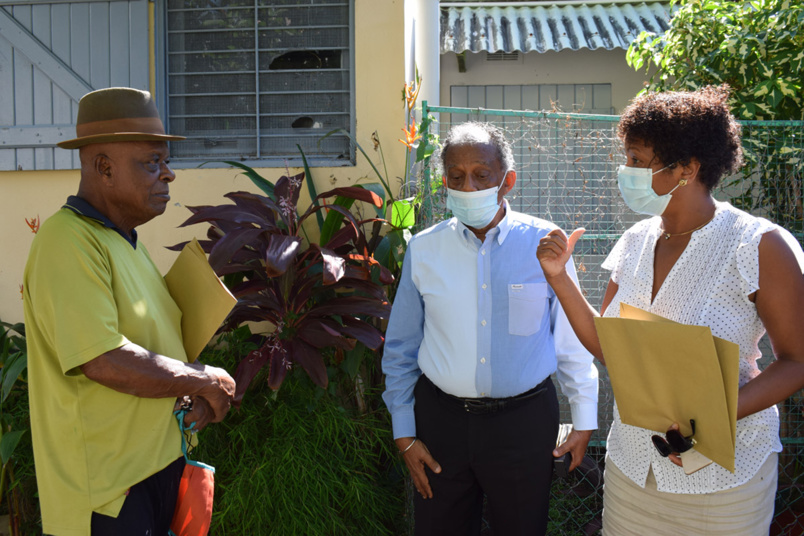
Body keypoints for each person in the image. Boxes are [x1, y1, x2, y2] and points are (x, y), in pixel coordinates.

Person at [536, 85, 804, 535]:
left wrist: (710, 416)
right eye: (628, 159)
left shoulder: (758, 244)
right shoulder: (635, 242)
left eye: (638, 160)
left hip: (726, 480)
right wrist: (559, 277)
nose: (627, 171)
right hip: (632, 468)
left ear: (686, 168)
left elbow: (796, 361)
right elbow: (609, 346)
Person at [22, 87, 236, 536]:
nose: (168, 175)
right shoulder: (67, 242)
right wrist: (204, 378)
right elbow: (104, 359)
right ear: (104, 167)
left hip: (153, 477)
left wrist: (187, 395)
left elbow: (152, 354)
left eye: (166, 162)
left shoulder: (124, 242)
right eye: (152, 162)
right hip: (108, 498)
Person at [382, 122, 599, 535]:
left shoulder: (546, 245)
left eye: (482, 175)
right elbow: (401, 349)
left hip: (523, 422)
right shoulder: (424, 249)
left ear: (507, 180)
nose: (468, 186)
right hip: (440, 421)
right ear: (444, 181)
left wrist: (584, 417)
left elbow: (571, 343)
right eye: (457, 177)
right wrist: (405, 436)